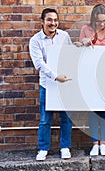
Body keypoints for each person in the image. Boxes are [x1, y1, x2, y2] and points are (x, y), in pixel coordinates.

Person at [74, 4, 105, 156]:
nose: (101, 24)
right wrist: (82, 44)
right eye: (98, 21)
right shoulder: (85, 30)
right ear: (93, 19)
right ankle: (95, 143)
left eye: (104, 21)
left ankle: (104, 143)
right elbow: (78, 51)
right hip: (90, 76)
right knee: (93, 110)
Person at [29, 8, 73, 161]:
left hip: (64, 85)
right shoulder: (35, 40)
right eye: (49, 20)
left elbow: (70, 55)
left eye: (55, 20)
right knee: (45, 120)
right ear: (42, 21)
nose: (52, 23)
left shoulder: (64, 36)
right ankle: (43, 148)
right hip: (47, 85)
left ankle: (65, 147)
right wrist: (56, 77)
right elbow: (39, 64)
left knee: (66, 118)